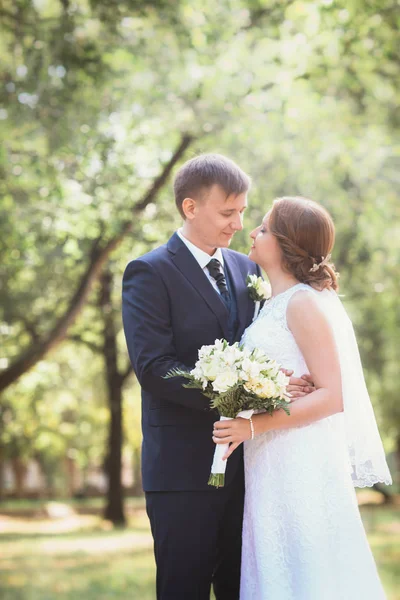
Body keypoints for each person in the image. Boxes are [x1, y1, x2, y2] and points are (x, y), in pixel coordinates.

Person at [122, 156, 312, 600]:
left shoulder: (248, 272)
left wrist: (277, 382)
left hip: (251, 468)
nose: (239, 224)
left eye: (243, 211)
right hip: (181, 470)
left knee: (242, 589)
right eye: (228, 213)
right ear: (191, 208)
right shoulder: (149, 272)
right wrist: (241, 390)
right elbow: (154, 366)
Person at [213, 196, 392, 600]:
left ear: (285, 244)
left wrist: (251, 425)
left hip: (299, 456)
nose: (253, 232)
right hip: (270, 459)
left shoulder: (303, 303)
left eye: (263, 227)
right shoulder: (271, 305)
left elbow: (331, 396)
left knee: (307, 566)